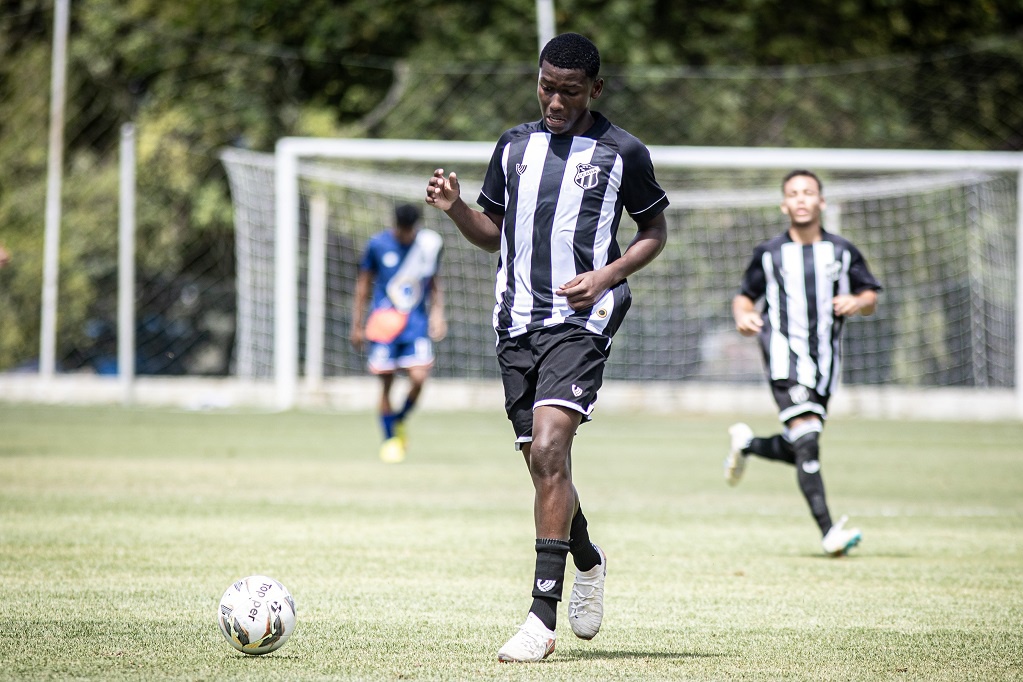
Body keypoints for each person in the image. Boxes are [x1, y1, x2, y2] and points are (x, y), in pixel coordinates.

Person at [426, 33, 669, 663]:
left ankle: (540, 618)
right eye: (546, 87)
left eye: (568, 90)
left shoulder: (622, 152)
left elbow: (654, 230)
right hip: (516, 323)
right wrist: (456, 209)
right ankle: (585, 559)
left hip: (581, 319)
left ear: (595, 88)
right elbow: (493, 233)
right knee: (541, 465)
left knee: (552, 446)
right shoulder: (512, 147)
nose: (555, 100)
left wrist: (606, 276)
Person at [726, 169, 882, 557]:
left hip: (825, 365)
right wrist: (743, 317)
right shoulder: (769, 253)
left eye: (808, 192)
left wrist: (858, 302)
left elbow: (870, 295)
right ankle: (829, 532)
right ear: (784, 204)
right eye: (792, 193)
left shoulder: (842, 251)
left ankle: (748, 444)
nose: (800, 199)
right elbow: (744, 297)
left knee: (801, 444)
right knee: (808, 440)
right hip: (783, 358)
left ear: (821, 202)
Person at [350, 203, 447, 464]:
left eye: (410, 230)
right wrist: (357, 324)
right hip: (384, 324)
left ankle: (399, 419)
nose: (406, 235)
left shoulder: (427, 247)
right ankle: (390, 439)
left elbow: (434, 282)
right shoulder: (377, 245)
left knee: (418, 378)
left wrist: (438, 314)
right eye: (402, 230)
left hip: (415, 323)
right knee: (386, 383)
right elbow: (363, 285)